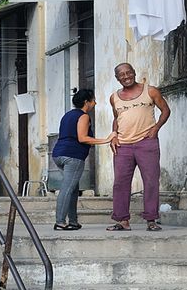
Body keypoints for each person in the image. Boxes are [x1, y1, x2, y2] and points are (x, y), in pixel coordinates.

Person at [109, 63, 171, 232]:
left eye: (128, 72)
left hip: (146, 142)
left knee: (151, 181)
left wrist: (156, 128)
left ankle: (151, 219)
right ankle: (122, 220)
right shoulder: (114, 97)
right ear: (117, 78)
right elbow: (117, 118)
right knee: (120, 183)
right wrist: (113, 134)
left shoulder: (150, 91)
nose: (126, 76)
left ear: (134, 73)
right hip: (123, 145)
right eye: (121, 74)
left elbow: (165, 110)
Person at [51, 89, 115, 231]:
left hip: (58, 154)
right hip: (73, 156)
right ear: (86, 102)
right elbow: (82, 138)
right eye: (93, 100)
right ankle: (60, 222)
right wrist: (106, 140)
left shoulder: (67, 115)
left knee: (73, 189)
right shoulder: (84, 116)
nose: (95, 103)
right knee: (67, 188)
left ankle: (73, 221)